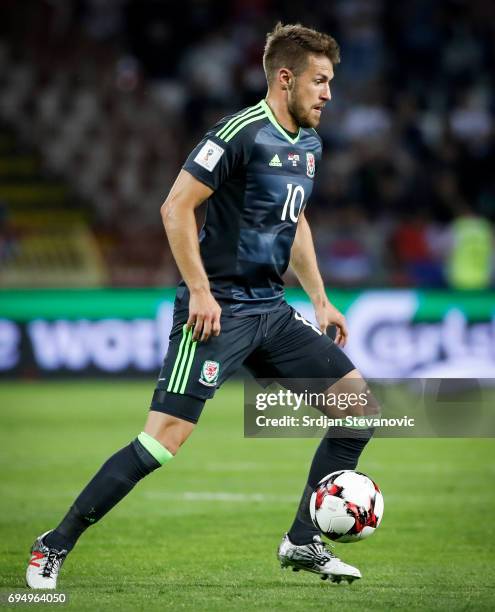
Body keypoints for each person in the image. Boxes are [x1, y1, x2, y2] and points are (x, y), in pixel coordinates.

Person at [26, 22, 375, 589]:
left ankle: (303, 540)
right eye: (320, 81)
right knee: (162, 441)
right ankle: (54, 544)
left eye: (330, 82)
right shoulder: (238, 133)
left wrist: (321, 298)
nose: (328, 93)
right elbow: (175, 207)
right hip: (218, 311)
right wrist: (202, 291)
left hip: (273, 310)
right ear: (284, 79)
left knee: (358, 412)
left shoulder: (309, 143)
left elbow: (295, 218)